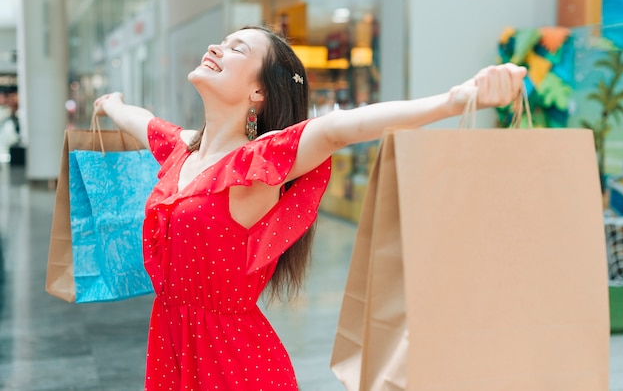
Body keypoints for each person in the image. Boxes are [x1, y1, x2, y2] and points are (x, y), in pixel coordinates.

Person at [93, 24, 526, 390]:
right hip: (170, 347)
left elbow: (343, 128)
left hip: (232, 364)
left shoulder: (259, 160)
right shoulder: (182, 151)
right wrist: (111, 105)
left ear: (259, 90)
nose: (216, 48)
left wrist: (456, 99)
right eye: (221, 42)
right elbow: (140, 121)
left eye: (236, 48)